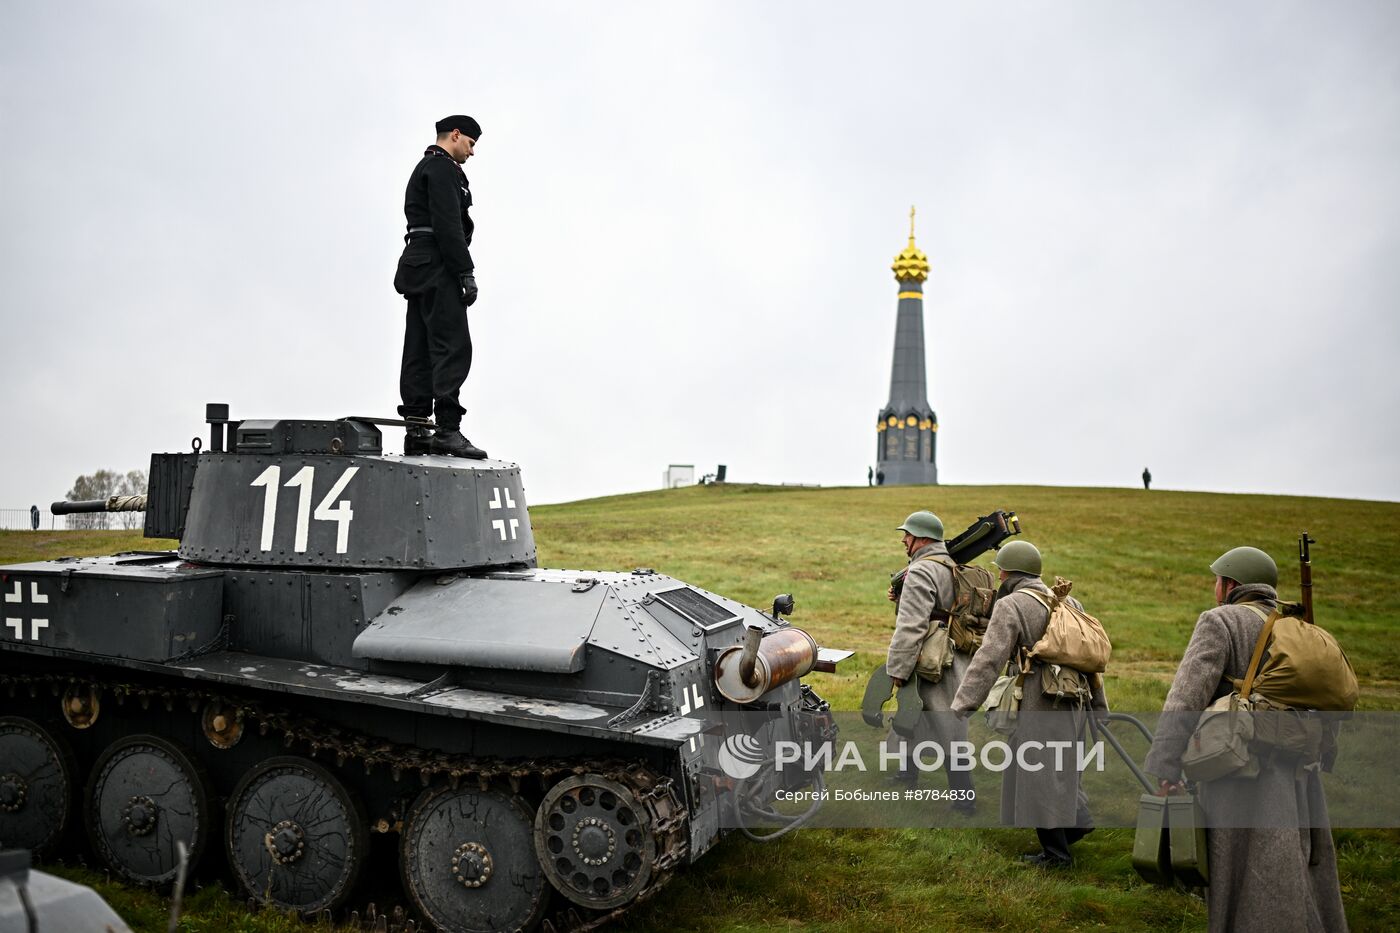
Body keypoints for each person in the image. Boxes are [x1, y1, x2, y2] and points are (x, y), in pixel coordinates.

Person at [1143, 546, 1347, 933]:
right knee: (1291, 863)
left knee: (1241, 869)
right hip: (1297, 769)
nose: (1213, 588)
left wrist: (1166, 766)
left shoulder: (1220, 621)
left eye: (1216, 580)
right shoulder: (1299, 628)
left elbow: (1186, 697)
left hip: (1237, 770)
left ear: (1230, 584)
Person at [952, 540, 1106, 866]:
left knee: (1039, 778)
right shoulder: (1068, 600)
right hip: (1075, 699)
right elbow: (1089, 662)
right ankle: (1078, 823)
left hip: (1040, 701)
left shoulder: (1012, 606)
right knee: (1062, 771)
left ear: (1007, 572)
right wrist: (1099, 708)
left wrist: (964, 704)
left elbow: (988, 660)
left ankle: (1057, 855)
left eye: (999, 571)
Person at [393, 115, 488, 459]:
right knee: (452, 344)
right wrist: (465, 272)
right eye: (471, 144)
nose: (472, 152)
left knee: (417, 346)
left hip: (417, 264)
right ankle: (448, 429)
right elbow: (448, 223)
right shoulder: (444, 169)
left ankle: (417, 428)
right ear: (456, 135)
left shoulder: (422, 168)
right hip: (439, 263)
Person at [884, 511, 975, 812]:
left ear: (921, 538)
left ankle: (964, 800)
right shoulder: (949, 564)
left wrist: (897, 669)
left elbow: (911, 624)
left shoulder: (921, 571)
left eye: (908, 535)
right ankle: (907, 775)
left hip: (928, 658)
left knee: (945, 726)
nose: (903, 539)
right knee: (912, 716)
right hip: (946, 653)